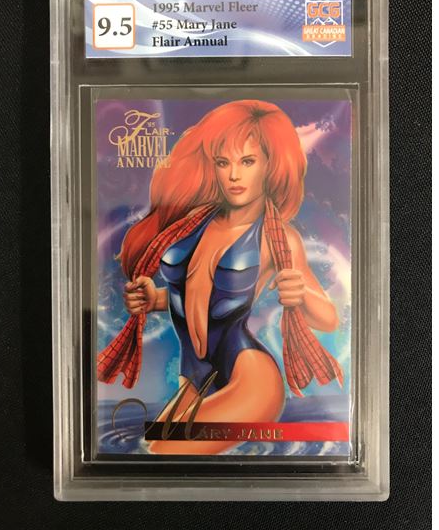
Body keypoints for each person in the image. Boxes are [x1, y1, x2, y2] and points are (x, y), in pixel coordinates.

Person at [98, 100, 342, 454]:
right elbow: (199, 294)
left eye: (247, 162)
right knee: (152, 448)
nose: (234, 175)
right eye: (223, 162)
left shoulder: (277, 238)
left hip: (251, 379)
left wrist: (301, 292)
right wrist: (155, 299)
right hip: (195, 379)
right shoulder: (193, 222)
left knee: (164, 453)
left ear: (270, 165)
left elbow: (329, 319)